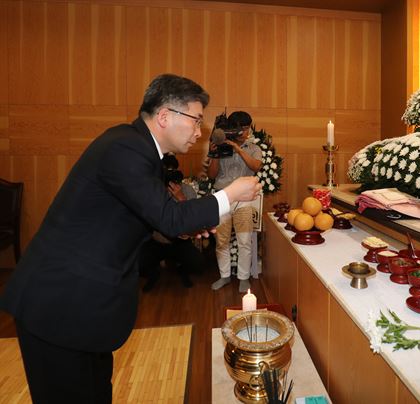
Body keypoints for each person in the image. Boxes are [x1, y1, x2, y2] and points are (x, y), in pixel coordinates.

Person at [0, 73, 261, 403]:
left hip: (84, 306)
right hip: (60, 304)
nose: (199, 132)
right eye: (196, 120)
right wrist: (230, 194)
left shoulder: (141, 150)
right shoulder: (125, 147)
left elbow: (153, 215)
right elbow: (166, 215)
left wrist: (185, 225)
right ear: (165, 116)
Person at [207, 111, 263, 293]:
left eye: (247, 128)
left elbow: (256, 166)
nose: (245, 132)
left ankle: (243, 278)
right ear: (233, 129)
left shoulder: (253, 147)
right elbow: (212, 175)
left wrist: (238, 148)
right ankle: (224, 276)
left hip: (245, 200)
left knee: (245, 240)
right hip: (222, 197)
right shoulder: (220, 147)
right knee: (221, 240)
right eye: (242, 129)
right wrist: (215, 154)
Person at [139, 154, 204, 291]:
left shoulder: (186, 189)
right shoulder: (154, 189)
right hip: (158, 240)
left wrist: (181, 198)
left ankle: (182, 271)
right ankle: (153, 274)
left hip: (179, 241)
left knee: (197, 263)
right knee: (138, 262)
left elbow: (193, 218)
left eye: (172, 170)